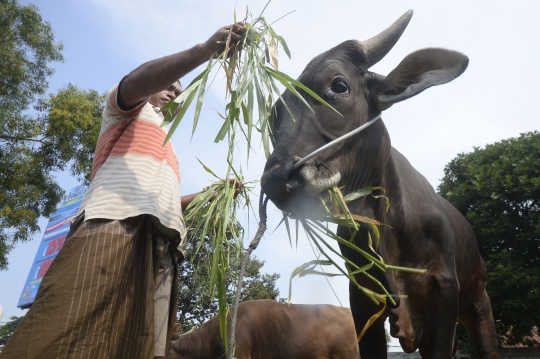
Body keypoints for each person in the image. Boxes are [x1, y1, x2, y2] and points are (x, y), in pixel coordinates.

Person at [1, 23, 246, 359]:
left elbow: (166, 203)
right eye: (167, 83)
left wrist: (209, 195)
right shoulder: (127, 111)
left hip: (163, 248)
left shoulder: (169, 149)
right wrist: (205, 51)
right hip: (114, 224)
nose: (174, 90)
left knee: (144, 346)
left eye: (179, 88)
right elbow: (136, 81)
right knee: (67, 331)